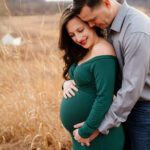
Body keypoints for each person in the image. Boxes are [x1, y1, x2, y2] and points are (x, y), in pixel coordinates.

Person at [62, 0, 150, 150]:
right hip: (120, 108)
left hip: (142, 110)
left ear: (107, 3)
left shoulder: (136, 30)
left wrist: (98, 127)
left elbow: (131, 89)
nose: (90, 25)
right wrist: (67, 83)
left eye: (92, 20)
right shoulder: (106, 24)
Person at [59, 6, 124, 150]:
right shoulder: (87, 50)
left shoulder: (103, 52)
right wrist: (67, 84)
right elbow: (81, 81)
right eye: (72, 35)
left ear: (91, 24)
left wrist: (86, 130)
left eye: (80, 30)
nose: (78, 38)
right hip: (83, 136)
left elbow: (104, 97)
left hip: (96, 137)